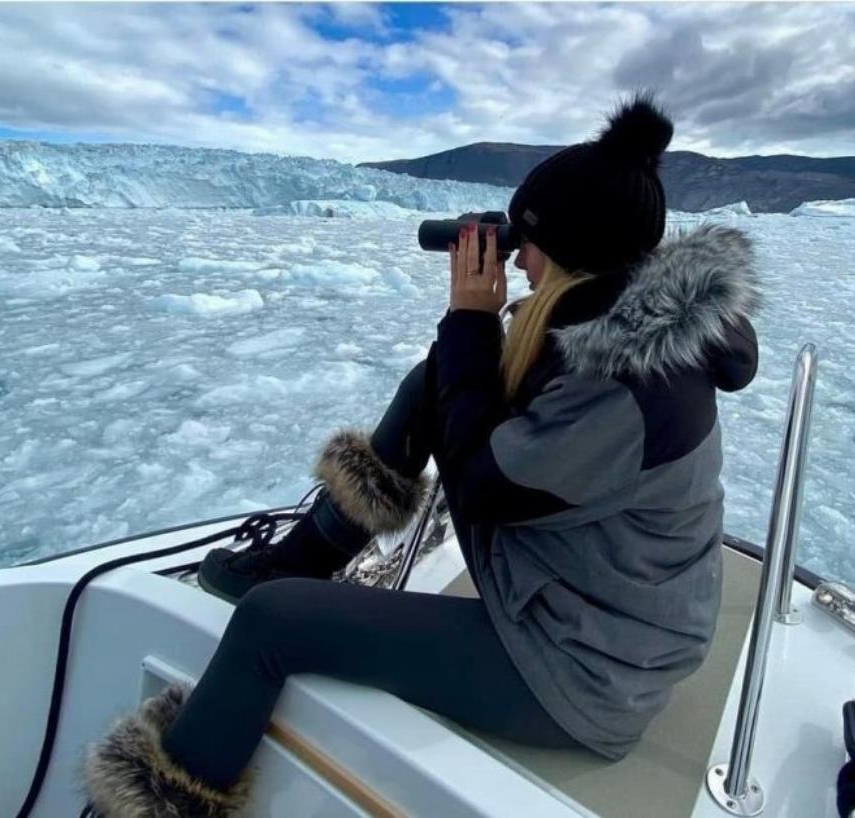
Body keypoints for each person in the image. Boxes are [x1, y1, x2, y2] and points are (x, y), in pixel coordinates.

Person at [82, 91, 761, 817]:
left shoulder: (627, 387)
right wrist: (463, 348)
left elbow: (479, 489)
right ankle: (306, 553)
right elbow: (482, 420)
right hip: (593, 609)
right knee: (442, 374)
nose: (518, 256)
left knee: (271, 624)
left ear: (569, 253)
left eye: (528, 240)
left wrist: (470, 321)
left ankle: (163, 804)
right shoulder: (619, 332)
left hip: (585, 671)